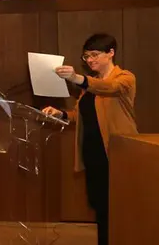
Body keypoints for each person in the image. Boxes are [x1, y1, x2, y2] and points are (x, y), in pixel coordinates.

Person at [42, 33, 137, 245]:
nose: (90, 60)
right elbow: (82, 115)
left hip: (116, 152)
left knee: (116, 207)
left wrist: (77, 79)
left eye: (95, 55)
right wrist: (62, 114)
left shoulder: (124, 78)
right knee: (99, 205)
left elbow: (109, 88)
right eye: (86, 57)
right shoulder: (88, 89)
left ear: (111, 53)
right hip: (93, 152)